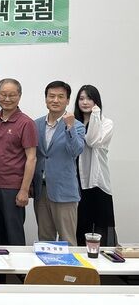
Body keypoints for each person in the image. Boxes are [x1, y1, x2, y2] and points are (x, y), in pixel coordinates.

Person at [0, 78, 37, 246]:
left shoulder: (26, 123)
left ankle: (18, 265)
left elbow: (31, 158)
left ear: (19, 96)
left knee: (14, 235)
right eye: (3, 94)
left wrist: (24, 190)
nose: (7, 99)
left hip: (13, 188)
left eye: (12, 95)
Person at [33, 81, 84, 245]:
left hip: (64, 192)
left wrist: (69, 127)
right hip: (41, 191)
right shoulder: (36, 124)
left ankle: (69, 265)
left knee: (67, 240)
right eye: (51, 96)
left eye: (61, 97)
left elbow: (76, 151)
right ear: (46, 99)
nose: (55, 100)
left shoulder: (77, 126)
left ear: (67, 101)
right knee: (45, 241)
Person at [74, 85, 117, 246]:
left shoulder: (106, 123)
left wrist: (95, 116)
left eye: (89, 98)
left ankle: (100, 260)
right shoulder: (74, 122)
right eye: (81, 98)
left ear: (96, 101)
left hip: (96, 180)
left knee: (99, 224)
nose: (85, 102)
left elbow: (92, 141)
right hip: (76, 179)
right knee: (79, 223)